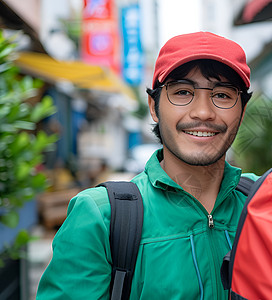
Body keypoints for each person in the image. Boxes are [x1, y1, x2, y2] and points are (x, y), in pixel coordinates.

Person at [36, 31, 258, 299]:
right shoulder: (100, 217)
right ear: (154, 106)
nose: (203, 112)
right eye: (183, 92)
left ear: (242, 112)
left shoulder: (265, 202)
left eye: (222, 95)